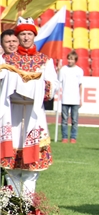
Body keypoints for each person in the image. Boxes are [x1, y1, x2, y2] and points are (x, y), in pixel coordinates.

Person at [0, 17, 59, 196]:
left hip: (34, 113)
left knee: (31, 169)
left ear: (34, 35)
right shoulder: (7, 60)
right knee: (11, 165)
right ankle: (11, 203)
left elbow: (52, 84)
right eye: (23, 34)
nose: (26, 37)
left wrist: (39, 86)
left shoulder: (44, 60)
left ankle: (27, 203)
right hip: (12, 112)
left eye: (29, 34)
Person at [58, 50, 84, 144]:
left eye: (71, 59)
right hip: (65, 98)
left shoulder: (79, 70)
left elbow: (80, 85)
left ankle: (73, 137)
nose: (69, 61)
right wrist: (58, 70)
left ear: (75, 60)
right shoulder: (63, 69)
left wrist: (81, 99)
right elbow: (59, 81)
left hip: (75, 99)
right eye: (68, 59)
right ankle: (64, 137)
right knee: (64, 120)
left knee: (75, 120)